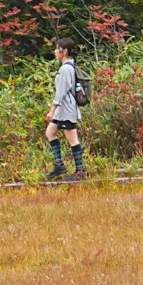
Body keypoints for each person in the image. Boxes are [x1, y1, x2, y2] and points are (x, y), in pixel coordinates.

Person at [44, 37, 86, 182]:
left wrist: (52, 109)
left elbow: (61, 92)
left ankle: (80, 171)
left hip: (66, 109)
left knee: (72, 139)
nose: (55, 51)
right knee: (50, 132)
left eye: (57, 49)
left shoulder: (66, 68)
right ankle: (59, 166)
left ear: (64, 51)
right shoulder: (69, 67)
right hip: (62, 110)